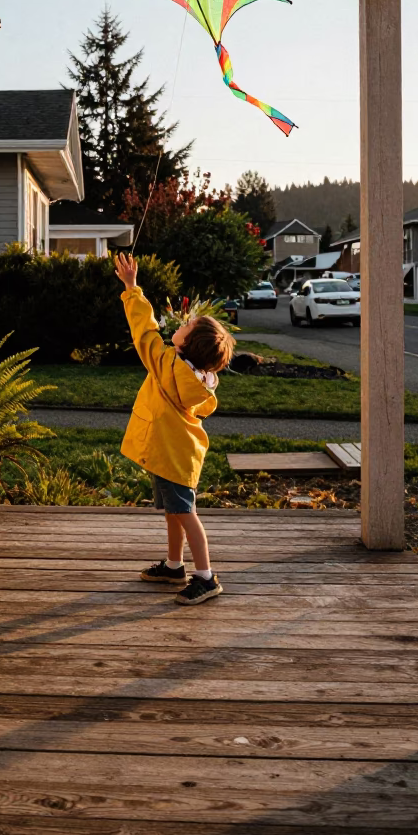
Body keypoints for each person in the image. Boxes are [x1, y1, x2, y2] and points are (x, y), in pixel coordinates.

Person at [114, 252, 235, 606]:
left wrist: (131, 288)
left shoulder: (167, 365)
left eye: (187, 325)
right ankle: (174, 565)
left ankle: (206, 576)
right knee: (173, 511)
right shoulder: (196, 377)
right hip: (176, 452)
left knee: (185, 513)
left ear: (186, 344)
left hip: (173, 454)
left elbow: (144, 331)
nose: (181, 323)